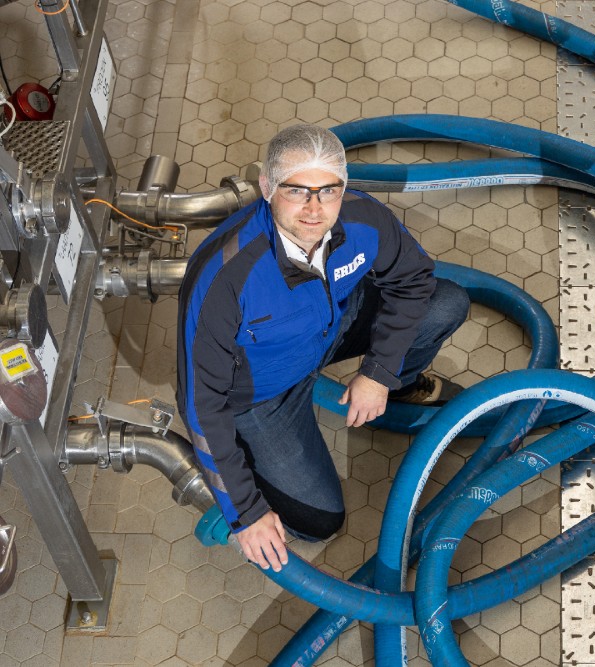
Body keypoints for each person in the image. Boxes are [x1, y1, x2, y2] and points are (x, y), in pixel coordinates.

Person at [177, 124, 469, 571]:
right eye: (297, 191)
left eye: (328, 191)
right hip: (261, 395)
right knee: (319, 520)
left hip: (332, 329)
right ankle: (251, 458)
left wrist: (380, 371)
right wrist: (245, 511)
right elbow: (200, 402)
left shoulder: (363, 219)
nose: (315, 210)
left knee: (447, 303)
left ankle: (401, 388)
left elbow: (413, 282)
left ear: (344, 188)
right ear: (266, 187)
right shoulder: (225, 279)